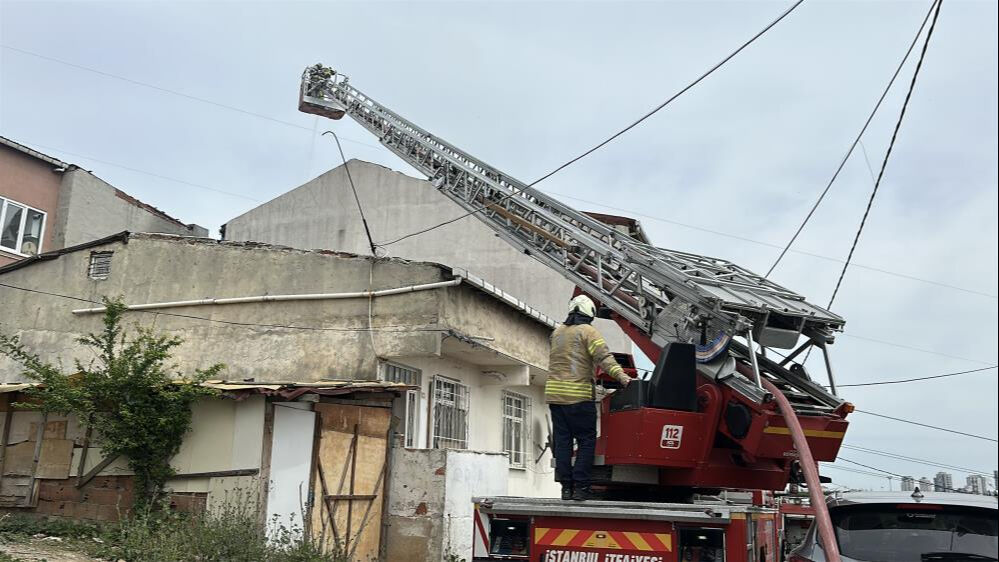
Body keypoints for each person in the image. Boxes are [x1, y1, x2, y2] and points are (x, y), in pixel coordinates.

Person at [546, 294, 631, 501]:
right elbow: (604, 359)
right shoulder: (588, 332)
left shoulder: (557, 333)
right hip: (578, 397)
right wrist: (624, 378)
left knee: (563, 443)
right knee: (585, 441)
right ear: (589, 314)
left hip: (555, 397)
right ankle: (581, 489)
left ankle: (566, 488)